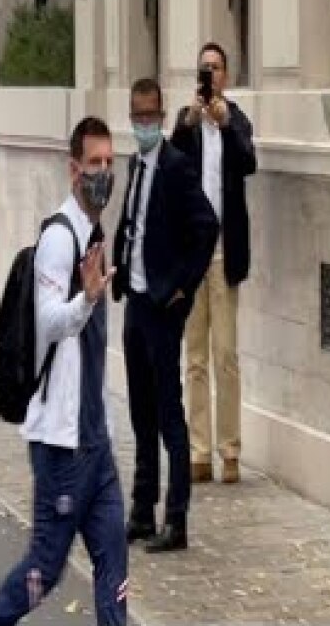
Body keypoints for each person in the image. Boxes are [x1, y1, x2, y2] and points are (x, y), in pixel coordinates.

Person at [0, 116, 127, 626]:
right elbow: (47, 322)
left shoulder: (95, 233)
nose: (103, 173)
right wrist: (84, 300)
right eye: (94, 164)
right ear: (73, 170)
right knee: (44, 568)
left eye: (109, 163)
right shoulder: (60, 239)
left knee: (114, 566)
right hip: (61, 446)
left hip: (94, 440)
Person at [114, 78, 218, 553]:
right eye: (138, 116)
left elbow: (207, 227)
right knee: (140, 412)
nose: (145, 124)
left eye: (152, 115)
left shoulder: (177, 166)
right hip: (134, 300)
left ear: (162, 115)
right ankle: (141, 509)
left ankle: (175, 520)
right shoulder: (135, 164)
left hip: (163, 305)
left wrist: (183, 288)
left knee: (169, 414)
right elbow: (132, 223)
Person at [170, 42, 257, 484]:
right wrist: (188, 122)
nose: (210, 75)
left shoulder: (235, 119)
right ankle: (198, 450)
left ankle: (231, 450)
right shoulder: (186, 124)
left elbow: (249, 163)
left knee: (226, 354)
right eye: (204, 68)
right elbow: (169, 167)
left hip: (224, 251)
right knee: (195, 357)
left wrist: (224, 125)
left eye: (217, 68)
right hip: (191, 253)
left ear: (226, 74)